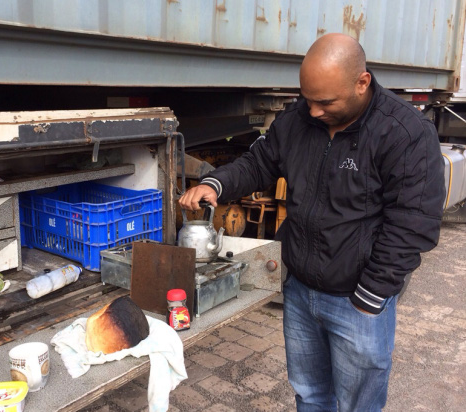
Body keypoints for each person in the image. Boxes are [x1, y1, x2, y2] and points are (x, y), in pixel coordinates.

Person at [178, 33, 445, 411]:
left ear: (362, 82)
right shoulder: (297, 119)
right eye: (308, 99)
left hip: (360, 301)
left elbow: (413, 223)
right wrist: (215, 184)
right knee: (311, 397)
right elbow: (259, 163)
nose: (315, 111)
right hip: (301, 293)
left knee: (357, 406)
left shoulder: (404, 134)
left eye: (326, 102)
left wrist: (372, 295)